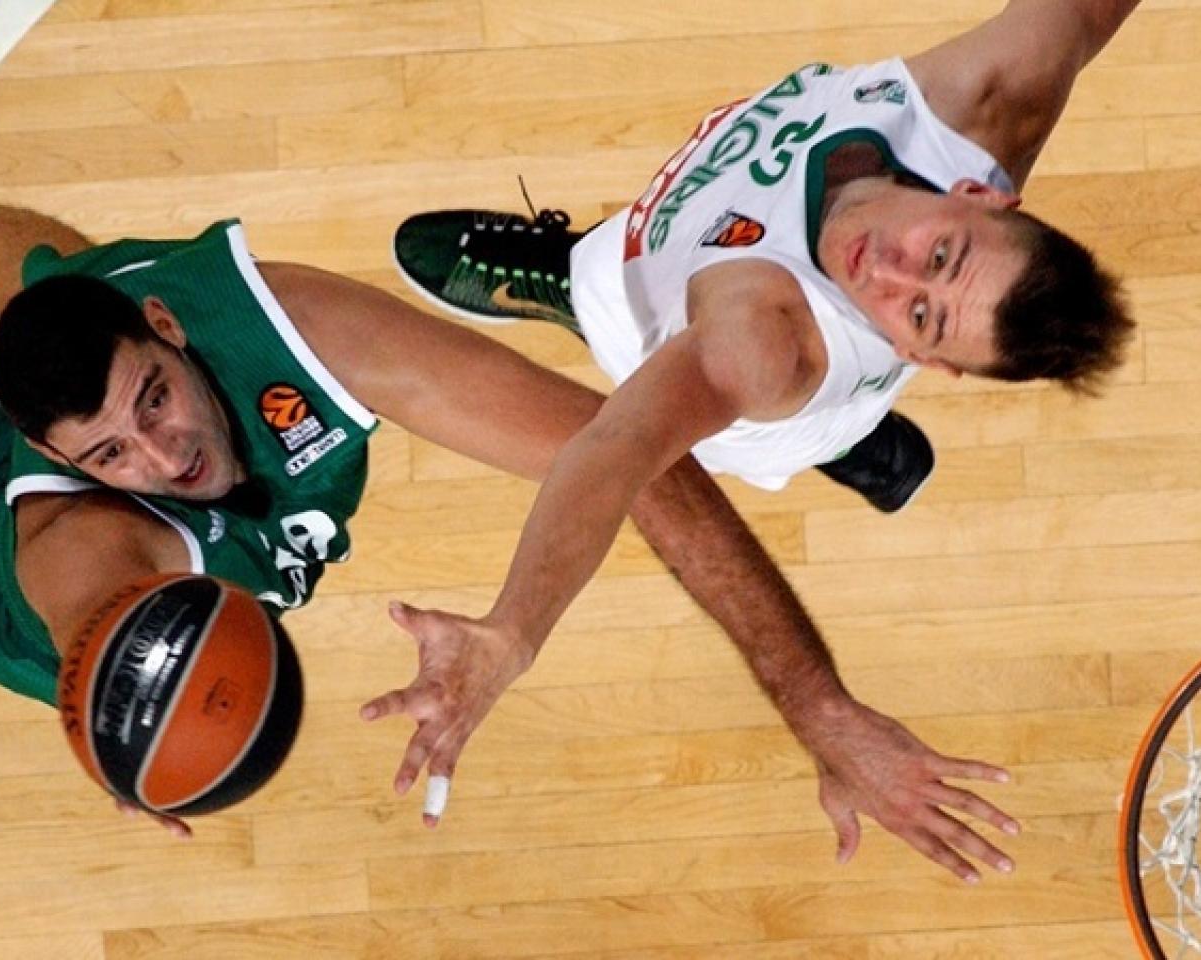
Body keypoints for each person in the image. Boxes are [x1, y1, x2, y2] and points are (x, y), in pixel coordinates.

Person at [0, 125, 1014, 852]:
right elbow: (104, 653)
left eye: (155, 406)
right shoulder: (78, 555)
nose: (162, 456)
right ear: (66, 467)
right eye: (111, 451)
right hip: (35, 571)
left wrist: (812, 702)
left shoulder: (280, 326)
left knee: (49, 272)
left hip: (111, 327)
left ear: (172, 333)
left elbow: (631, 458)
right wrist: (111, 732)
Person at [385, 0, 1139, 882]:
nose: (887, 272)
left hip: (731, 384)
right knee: (836, 423)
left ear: (916, 354)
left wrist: (511, 633)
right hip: (808, 369)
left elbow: (617, 449)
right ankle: (862, 445)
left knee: (634, 329)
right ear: (978, 192)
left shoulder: (764, 345)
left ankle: (563, 281)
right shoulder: (991, 98)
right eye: (939, 255)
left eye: (921, 316)